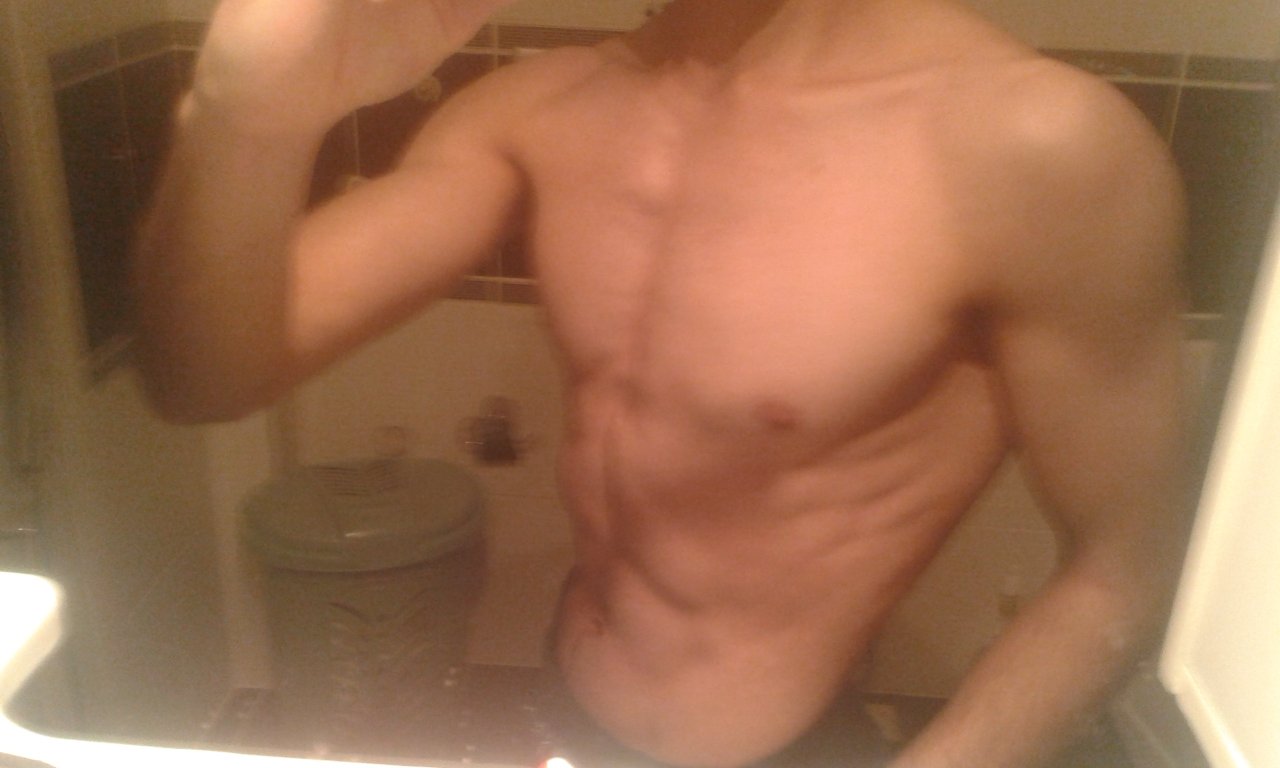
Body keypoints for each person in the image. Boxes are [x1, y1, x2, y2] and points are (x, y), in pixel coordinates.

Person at [134, 0, 1190, 766]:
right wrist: (240, 118)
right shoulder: (545, 103)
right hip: (560, 699)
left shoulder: (1026, 142)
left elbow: (1123, 571)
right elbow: (202, 379)